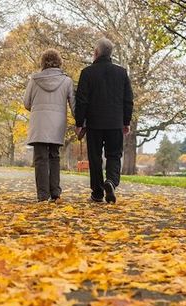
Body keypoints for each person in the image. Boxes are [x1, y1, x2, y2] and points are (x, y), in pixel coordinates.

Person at [75, 38, 134, 204]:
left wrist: (80, 123)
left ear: (96, 52)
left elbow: (82, 100)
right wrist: (126, 121)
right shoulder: (121, 73)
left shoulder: (87, 73)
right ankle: (111, 181)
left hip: (94, 123)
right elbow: (128, 99)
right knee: (114, 155)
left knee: (95, 158)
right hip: (115, 122)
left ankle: (97, 192)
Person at [24, 49, 75, 202]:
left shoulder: (34, 80)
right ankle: (55, 192)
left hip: (39, 123)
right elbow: (73, 104)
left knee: (40, 159)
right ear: (59, 62)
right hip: (57, 123)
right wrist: (80, 122)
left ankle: (42, 194)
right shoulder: (67, 81)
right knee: (54, 156)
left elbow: (27, 103)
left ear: (43, 62)